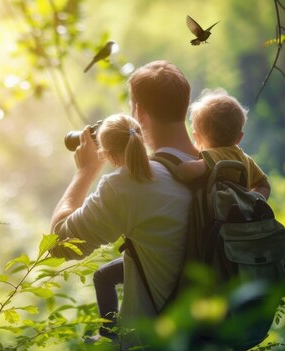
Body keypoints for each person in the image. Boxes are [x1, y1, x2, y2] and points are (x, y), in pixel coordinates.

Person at [49, 60, 199, 348]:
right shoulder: (223, 163)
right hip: (219, 336)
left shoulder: (133, 183)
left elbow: (60, 244)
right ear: (185, 104)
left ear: (138, 111)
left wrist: (85, 171)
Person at [89, 114, 154, 340]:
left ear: (109, 156)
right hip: (171, 253)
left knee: (102, 277)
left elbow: (65, 241)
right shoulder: (164, 169)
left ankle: (110, 333)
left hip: (151, 262)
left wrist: (84, 171)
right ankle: (109, 332)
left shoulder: (118, 184)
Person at [176, 88, 271, 199]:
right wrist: (253, 200)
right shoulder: (247, 160)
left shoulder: (214, 156)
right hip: (243, 215)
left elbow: (187, 171)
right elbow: (264, 185)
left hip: (217, 215)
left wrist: (177, 168)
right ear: (239, 137)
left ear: (196, 137)